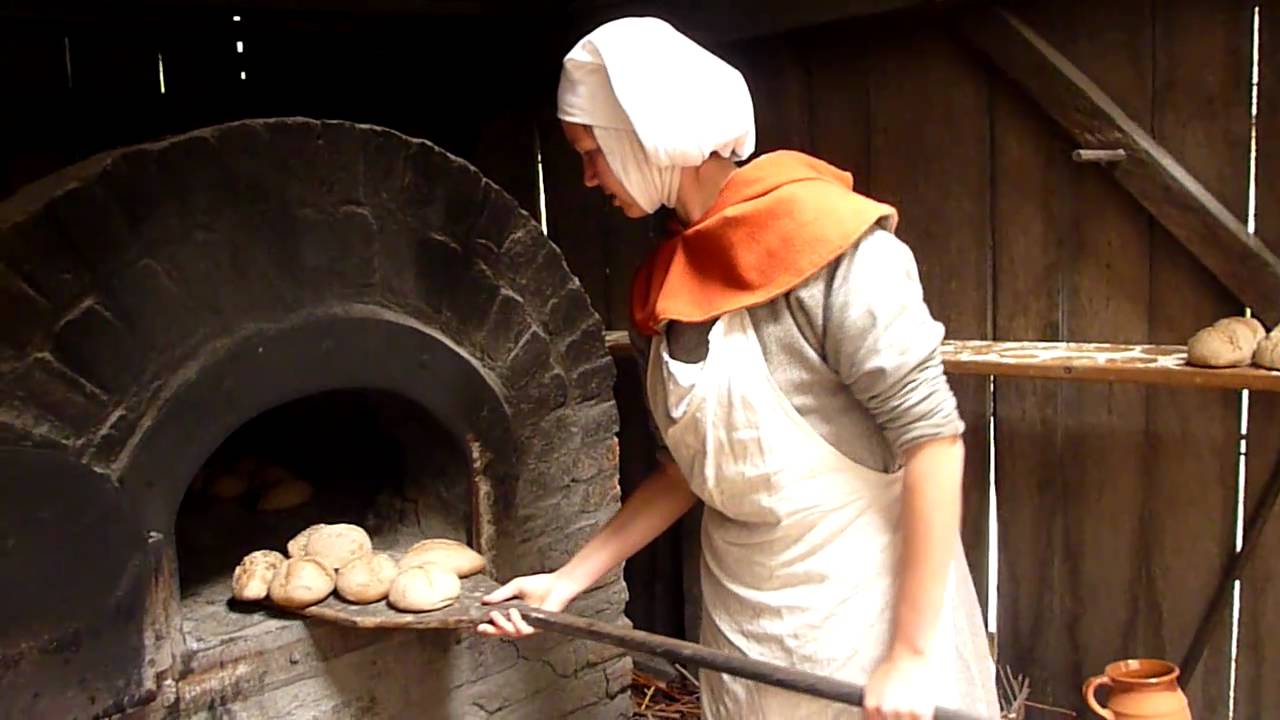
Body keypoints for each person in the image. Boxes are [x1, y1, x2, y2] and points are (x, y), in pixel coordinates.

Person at [476, 16, 1001, 720]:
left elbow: (933, 442)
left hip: (863, 628)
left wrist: (908, 654)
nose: (588, 175)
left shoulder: (836, 250)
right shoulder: (667, 289)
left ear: (649, 130)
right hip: (745, 628)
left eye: (592, 149)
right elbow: (687, 474)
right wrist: (567, 582)